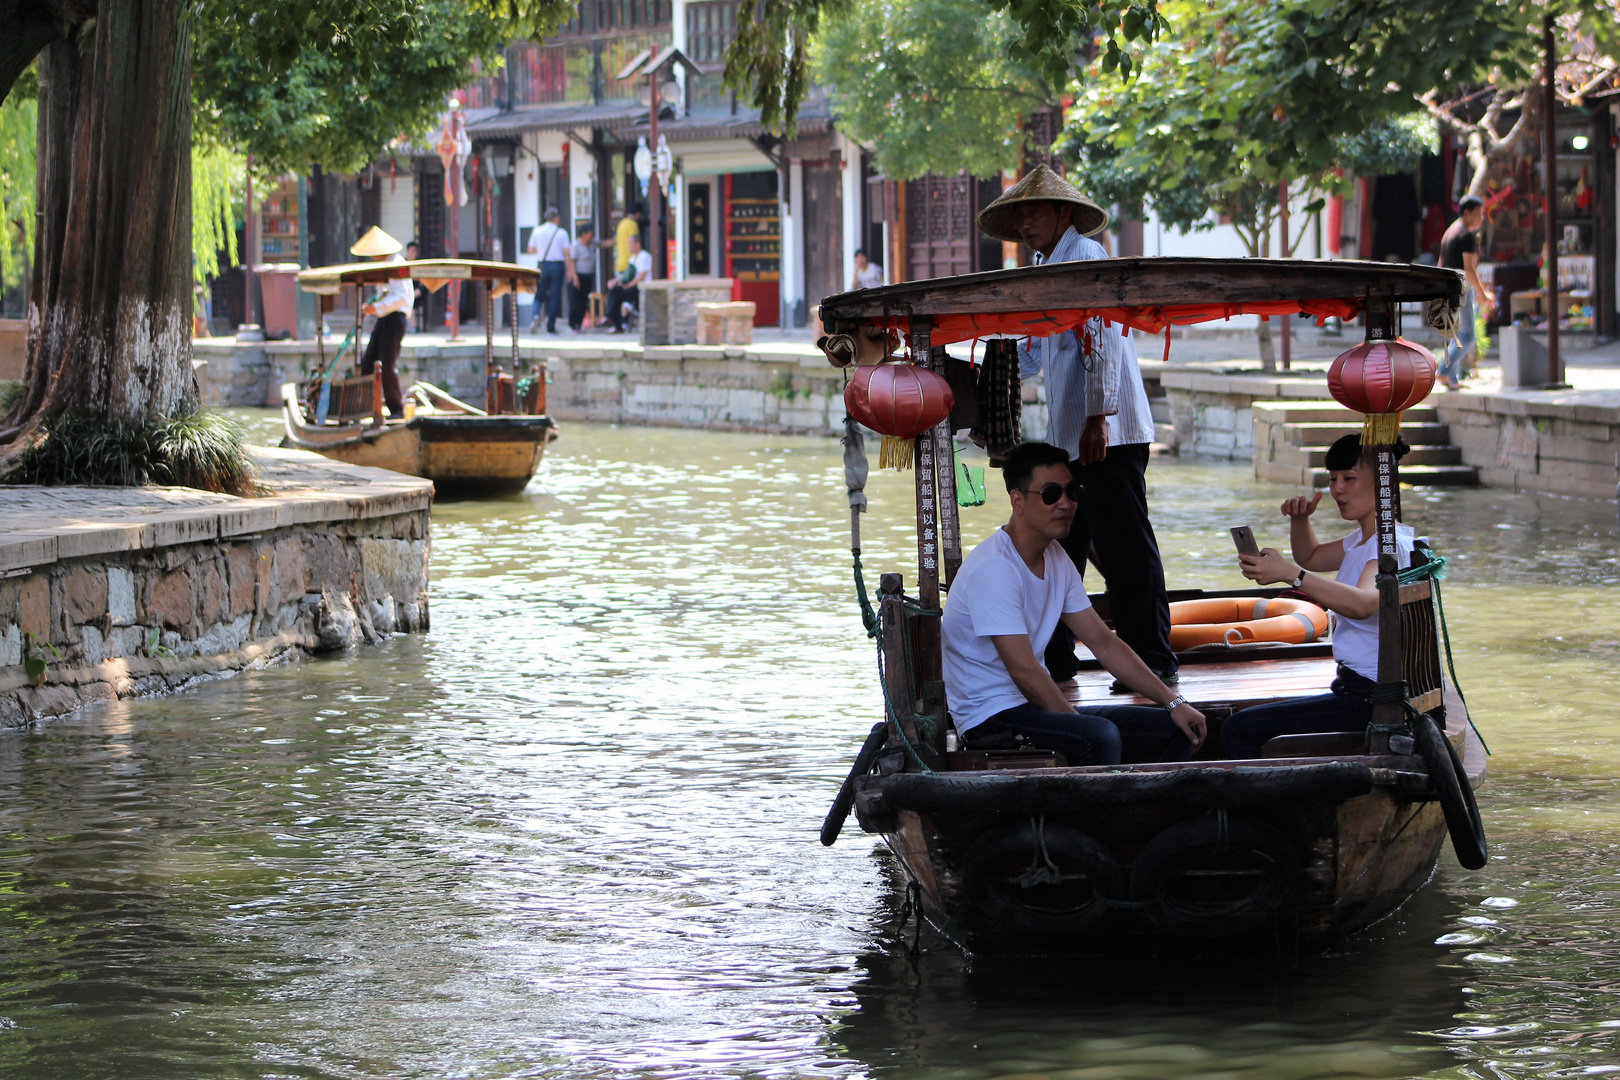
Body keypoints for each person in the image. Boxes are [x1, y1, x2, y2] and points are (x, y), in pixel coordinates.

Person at [975, 163, 1176, 688]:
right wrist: (981, 362)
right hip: (1073, 437)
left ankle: (1152, 659)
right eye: (1019, 215)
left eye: (1033, 211)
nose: (1024, 223)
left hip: (1108, 431)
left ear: (1063, 213)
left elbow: (1103, 340)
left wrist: (1097, 419)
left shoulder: (1084, 255)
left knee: (1126, 548)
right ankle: (1056, 662)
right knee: (1060, 549)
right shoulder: (1048, 264)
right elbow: (1037, 355)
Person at [942, 441, 1207, 765]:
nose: (1066, 504)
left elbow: (1103, 642)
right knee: (1098, 736)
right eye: (1052, 494)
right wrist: (1078, 723)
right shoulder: (994, 568)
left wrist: (1172, 701)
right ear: (1018, 501)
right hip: (989, 719)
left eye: (1072, 492)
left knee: (1173, 729)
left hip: (1032, 709)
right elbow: (1025, 671)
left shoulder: (1056, 559)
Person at [1221, 434, 1417, 759]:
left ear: (1383, 483)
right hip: (1354, 689)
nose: (1336, 489)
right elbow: (1310, 556)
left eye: (1348, 478)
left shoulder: (1388, 545)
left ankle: (1261, 810)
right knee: (1245, 717)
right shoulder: (1365, 540)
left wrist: (1290, 575)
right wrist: (1300, 521)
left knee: (1237, 728)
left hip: (1367, 700)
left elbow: (1365, 602)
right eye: (1333, 478)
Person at [352, 225, 410, 419]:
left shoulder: (397, 265)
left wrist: (375, 308)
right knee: (368, 361)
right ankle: (364, 405)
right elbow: (383, 295)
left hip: (394, 319)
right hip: (384, 318)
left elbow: (400, 298)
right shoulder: (385, 266)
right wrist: (374, 307)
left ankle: (397, 409)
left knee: (387, 364)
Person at [1438, 195, 1494, 391]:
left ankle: (1452, 379)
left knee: (1457, 335)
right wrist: (1483, 293)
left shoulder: (1450, 231)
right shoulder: (1466, 235)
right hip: (1460, 289)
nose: (1481, 219)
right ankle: (1443, 370)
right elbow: (1469, 268)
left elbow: (1440, 263)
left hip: (1447, 288)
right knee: (1468, 336)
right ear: (1467, 213)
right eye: (1479, 214)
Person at [527, 208, 569, 334]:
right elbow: (567, 253)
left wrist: (540, 251)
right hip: (557, 265)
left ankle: (535, 314)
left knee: (539, 293)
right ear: (556, 218)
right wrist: (570, 271)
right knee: (555, 296)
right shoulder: (561, 233)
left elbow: (530, 249)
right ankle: (550, 326)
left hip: (543, 265)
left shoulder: (538, 231)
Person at [606, 232, 651, 334]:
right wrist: (614, 281)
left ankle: (610, 315)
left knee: (617, 292)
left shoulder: (643, 256)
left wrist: (628, 286)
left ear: (638, 244)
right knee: (615, 289)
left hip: (640, 289)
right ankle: (616, 323)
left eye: (631, 244)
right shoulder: (632, 258)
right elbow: (625, 274)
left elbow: (641, 277)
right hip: (631, 287)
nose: (629, 247)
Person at [566, 223, 597, 333]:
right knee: (575, 301)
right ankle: (573, 325)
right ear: (584, 234)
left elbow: (603, 243)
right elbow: (572, 262)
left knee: (584, 301)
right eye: (590, 233)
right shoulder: (576, 246)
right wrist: (575, 277)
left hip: (588, 275)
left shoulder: (592, 244)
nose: (592, 236)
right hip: (578, 275)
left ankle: (579, 324)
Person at [404, 241, 429, 333]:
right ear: (408, 252)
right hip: (407, 289)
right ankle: (411, 325)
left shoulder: (421, 262)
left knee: (413, 300)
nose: (414, 254)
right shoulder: (403, 263)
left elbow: (426, 280)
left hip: (420, 290)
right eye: (412, 252)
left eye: (416, 251)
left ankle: (416, 326)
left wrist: (420, 290)